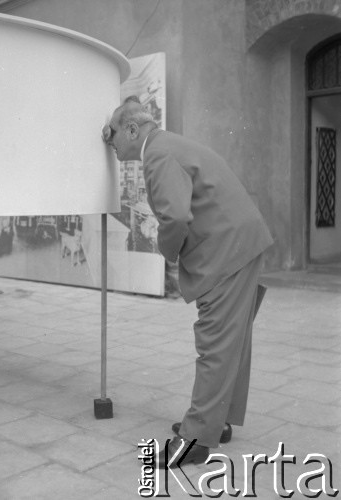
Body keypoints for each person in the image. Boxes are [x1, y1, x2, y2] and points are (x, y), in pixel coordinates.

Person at [102, 99, 273, 466]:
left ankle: (196, 439)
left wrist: (168, 251)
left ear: (132, 130)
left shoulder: (158, 155)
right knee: (232, 340)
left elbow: (176, 216)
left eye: (113, 133)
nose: (110, 142)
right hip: (240, 243)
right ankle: (217, 420)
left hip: (225, 251)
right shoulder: (170, 145)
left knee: (215, 343)